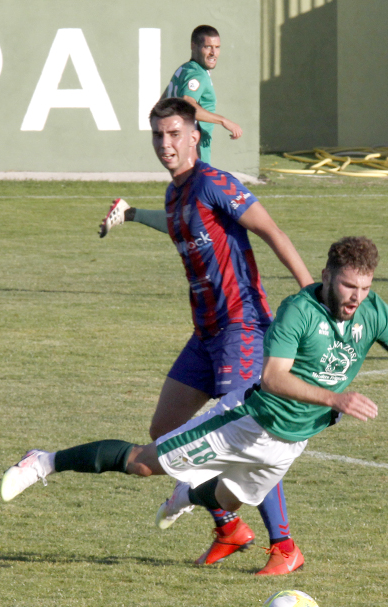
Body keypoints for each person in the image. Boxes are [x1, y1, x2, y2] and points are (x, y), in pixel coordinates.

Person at [1, 235, 388, 576]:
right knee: (143, 463)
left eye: (363, 288)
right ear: (326, 276)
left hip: (290, 444)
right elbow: (273, 377)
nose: (355, 298)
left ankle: (185, 496)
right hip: (247, 423)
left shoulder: (374, 312)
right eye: (348, 287)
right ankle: (43, 461)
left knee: (228, 499)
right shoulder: (298, 311)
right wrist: (334, 397)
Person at [111, 97, 313, 573]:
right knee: (164, 433)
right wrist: (133, 215)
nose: (166, 144)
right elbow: (176, 226)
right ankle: (228, 528)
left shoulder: (214, 182)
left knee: (251, 432)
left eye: (174, 134)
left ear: (194, 137)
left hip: (242, 326)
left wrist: (311, 296)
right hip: (205, 335)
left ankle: (285, 546)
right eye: (158, 135)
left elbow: (272, 232)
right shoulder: (174, 195)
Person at [100, 24, 243, 238]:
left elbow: (162, 105)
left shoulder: (183, 70)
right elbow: (187, 104)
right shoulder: (197, 75)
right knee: (202, 216)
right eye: (208, 47)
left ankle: (129, 213)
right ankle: (129, 214)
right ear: (194, 46)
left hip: (187, 153)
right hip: (194, 155)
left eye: (217, 47)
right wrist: (223, 121)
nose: (213, 52)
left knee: (190, 220)